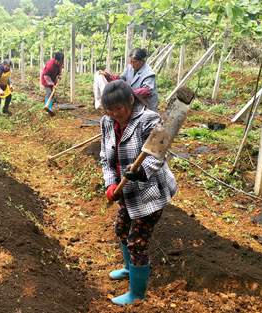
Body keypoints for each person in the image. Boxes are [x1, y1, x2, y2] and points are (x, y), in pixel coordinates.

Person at [99, 80, 177, 306]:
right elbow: (105, 156)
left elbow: (159, 155)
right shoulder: (107, 122)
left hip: (150, 192)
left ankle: (136, 294)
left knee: (137, 242)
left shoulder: (150, 120)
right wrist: (110, 184)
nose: (115, 114)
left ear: (130, 101)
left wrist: (141, 172)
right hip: (126, 191)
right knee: (121, 228)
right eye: (109, 110)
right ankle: (128, 268)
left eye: (119, 109)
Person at [40, 52, 64, 116]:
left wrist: (59, 75)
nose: (60, 63)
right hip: (46, 80)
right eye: (59, 62)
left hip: (53, 79)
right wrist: (52, 84)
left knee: (52, 94)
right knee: (49, 92)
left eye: (61, 62)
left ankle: (49, 107)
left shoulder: (60, 63)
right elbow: (46, 76)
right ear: (55, 59)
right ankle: (48, 107)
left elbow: (60, 69)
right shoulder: (50, 65)